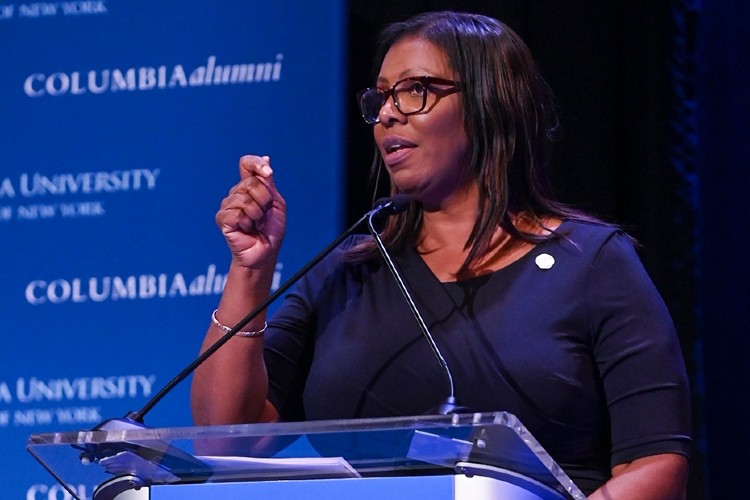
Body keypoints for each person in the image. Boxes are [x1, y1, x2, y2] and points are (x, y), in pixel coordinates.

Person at [191, 11, 691, 498]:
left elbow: (654, 464)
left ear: (488, 103)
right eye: (381, 96)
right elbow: (225, 438)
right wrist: (250, 268)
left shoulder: (592, 264)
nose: (387, 112)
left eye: (415, 90)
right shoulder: (348, 273)